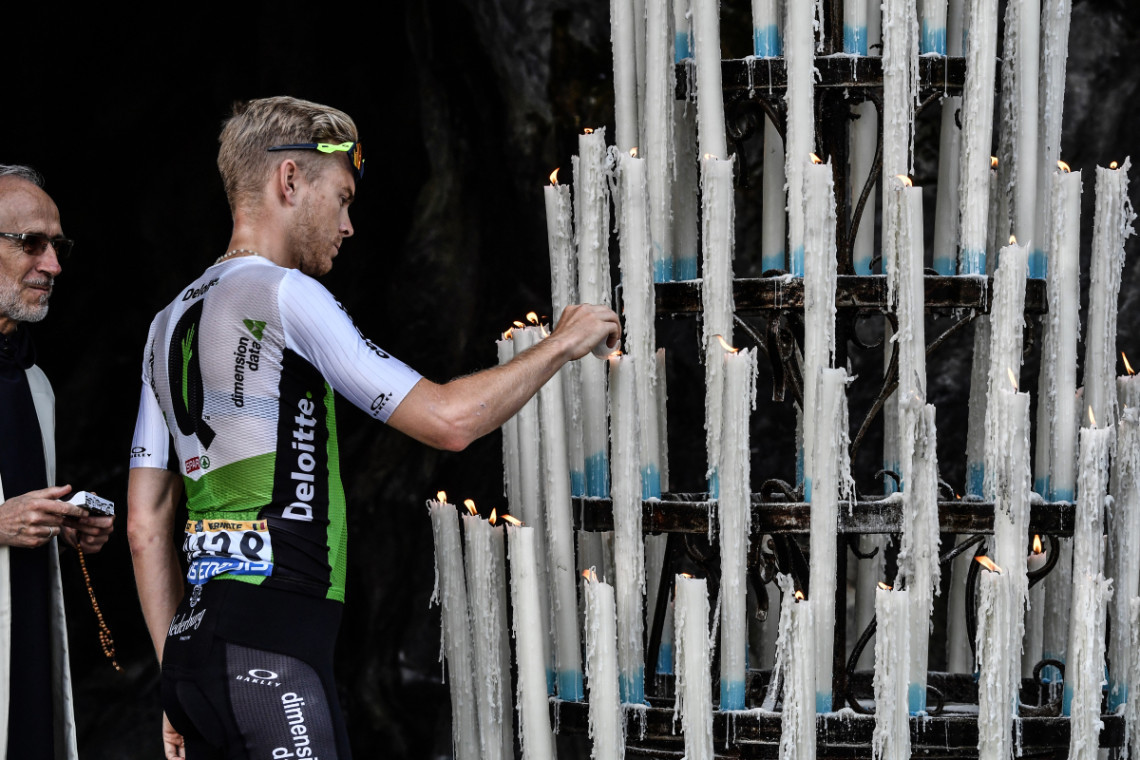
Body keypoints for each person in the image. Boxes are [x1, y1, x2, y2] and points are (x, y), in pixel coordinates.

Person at [127, 96, 620, 759]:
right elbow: (449, 420)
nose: (350, 224)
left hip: (192, 655)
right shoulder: (285, 294)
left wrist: (172, 678)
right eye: (343, 197)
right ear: (289, 182)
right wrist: (562, 344)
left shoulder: (166, 322)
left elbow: (145, 524)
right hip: (274, 650)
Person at [0, 165, 115, 759]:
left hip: (27, 662)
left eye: (57, 245)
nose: (52, 265)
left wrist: (63, 522)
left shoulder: (34, 381)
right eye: (29, 244)